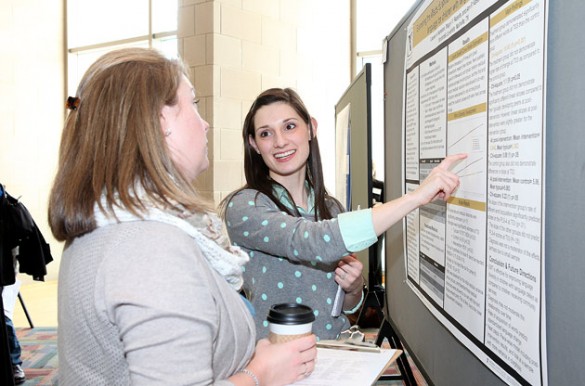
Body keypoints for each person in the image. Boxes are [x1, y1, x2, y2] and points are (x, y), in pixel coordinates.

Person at [48, 48, 316, 386]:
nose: (204, 124)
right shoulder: (149, 249)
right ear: (163, 123)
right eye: (194, 104)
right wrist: (260, 373)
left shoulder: (114, 226)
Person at [221, 88, 466, 340]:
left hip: (333, 354)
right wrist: (416, 197)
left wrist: (354, 286)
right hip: (277, 361)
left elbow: (348, 306)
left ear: (311, 128)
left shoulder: (331, 207)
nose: (280, 141)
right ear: (254, 145)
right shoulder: (245, 206)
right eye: (265, 133)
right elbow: (309, 240)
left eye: (290, 126)